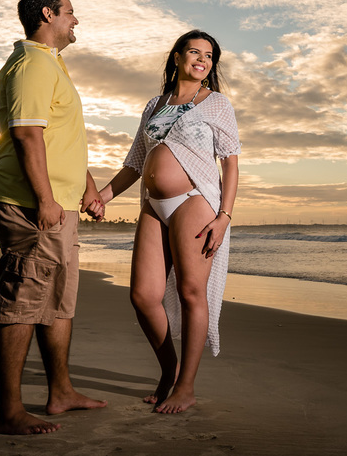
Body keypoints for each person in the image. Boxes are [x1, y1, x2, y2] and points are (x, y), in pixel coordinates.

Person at [0, 0, 107, 435]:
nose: (76, 19)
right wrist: (47, 200)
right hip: (29, 204)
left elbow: (62, 139)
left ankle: (61, 392)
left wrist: (86, 189)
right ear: (48, 15)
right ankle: (9, 412)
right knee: (23, 302)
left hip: (58, 204)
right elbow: (28, 134)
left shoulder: (51, 64)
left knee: (56, 302)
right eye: (69, 11)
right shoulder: (32, 65)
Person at [90, 30, 240, 413]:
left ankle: (185, 387)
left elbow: (231, 162)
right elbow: (136, 162)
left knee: (192, 292)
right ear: (177, 57)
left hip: (196, 201)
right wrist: (103, 196)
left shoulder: (217, 104)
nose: (202, 60)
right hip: (153, 206)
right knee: (142, 295)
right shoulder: (155, 104)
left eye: (209, 55)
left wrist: (224, 216)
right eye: (194, 52)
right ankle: (169, 369)